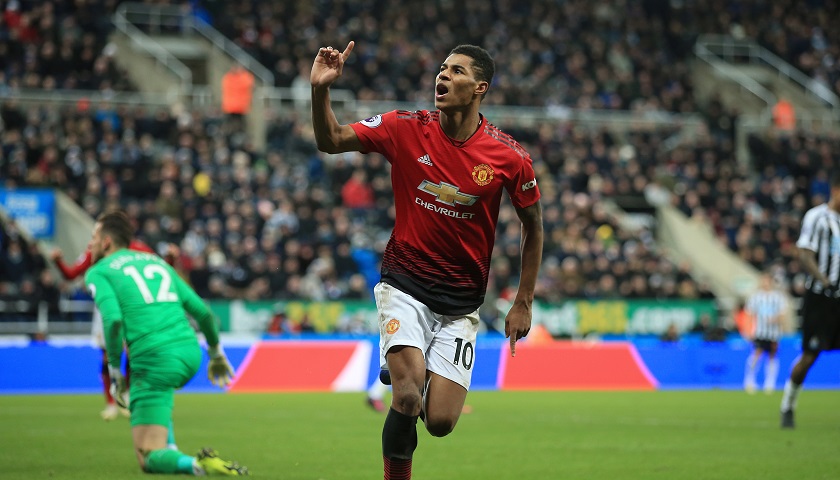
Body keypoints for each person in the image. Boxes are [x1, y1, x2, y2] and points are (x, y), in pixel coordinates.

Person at [311, 42, 543, 479]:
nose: (442, 76)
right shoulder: (404, 127)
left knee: (439, 422)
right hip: (405, 285)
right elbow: (331, 140)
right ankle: (405, 377)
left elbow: (534, 225)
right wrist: (320, 90)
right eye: (442, 69)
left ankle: (407, 368)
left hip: (461, 303)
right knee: (407, 397)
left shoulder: (509, 157)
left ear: (479, 88)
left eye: (456, 71)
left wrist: (523, 300)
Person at [84, 210, 248, 475]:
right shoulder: (157, 262)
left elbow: (113, 321)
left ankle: (199, 465)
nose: (89, 244)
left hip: (155, 360)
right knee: (160, 399)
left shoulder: (99, 271)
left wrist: (115, 372)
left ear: (106, 242)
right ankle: (172, 449)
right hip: (190, 352)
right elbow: (204, 313)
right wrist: (216, 354)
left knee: (147, 456)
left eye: (93, 237)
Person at [51, 237, 159, 420]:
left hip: (132, 306)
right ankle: (110, 402)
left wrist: (171, 259)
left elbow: (160, 268)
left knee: (132, 353)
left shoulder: (137, 247)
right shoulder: (96, 248)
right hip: (106, 307)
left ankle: (127, 395)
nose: (94, 237)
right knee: (107, 356)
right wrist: (58, 262)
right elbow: (71, 274)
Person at [780, 171, 840, 428]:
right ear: (835, 190)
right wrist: (824, 280)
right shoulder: (818, 217)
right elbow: (804, 254)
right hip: (819, 298)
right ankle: (788, 405)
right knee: (809, 356)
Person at [742, 272, 787, 394]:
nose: (765, 283)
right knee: (756, 354)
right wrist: (748, 330)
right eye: (763, 280)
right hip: (759, 332)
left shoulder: (778, 297)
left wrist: (775, 319)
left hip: (773, 333)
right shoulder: (755, 297)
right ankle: (749, 380)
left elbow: (783, 314)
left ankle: (770, 383)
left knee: (772, 356)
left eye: (767, 280)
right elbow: (749, 314)